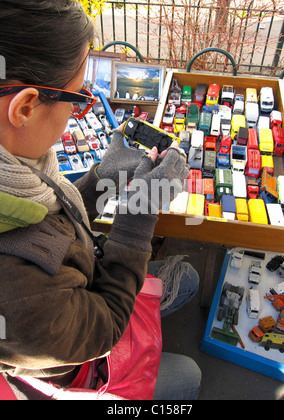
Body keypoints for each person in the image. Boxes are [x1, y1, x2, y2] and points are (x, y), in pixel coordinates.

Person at [0, 0, 201, 400]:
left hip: (71, 290)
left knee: (188, 280)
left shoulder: (17, 170)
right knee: (190, 375)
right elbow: (104, 331)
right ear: (23, 107)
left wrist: (97, 180)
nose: (80, 111)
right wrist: (138, 217)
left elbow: (48, 223)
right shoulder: (16, 289)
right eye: (77, 98)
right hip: (71, 365)